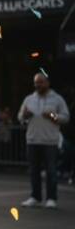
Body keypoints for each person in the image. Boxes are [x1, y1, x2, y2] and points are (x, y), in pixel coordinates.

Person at [18, 73, 70, 209]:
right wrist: (25, 115)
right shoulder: (29, 99)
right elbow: (20, 117)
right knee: (34, 170)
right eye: (36, 82)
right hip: (32, 140)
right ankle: (35, 197)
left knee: (51, 171)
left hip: (50, 141)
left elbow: (66, 117)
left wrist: (52, 116)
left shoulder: (57, 99)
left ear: (47, 83)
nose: (38, 85)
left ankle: (51, 198)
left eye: (41, 82)